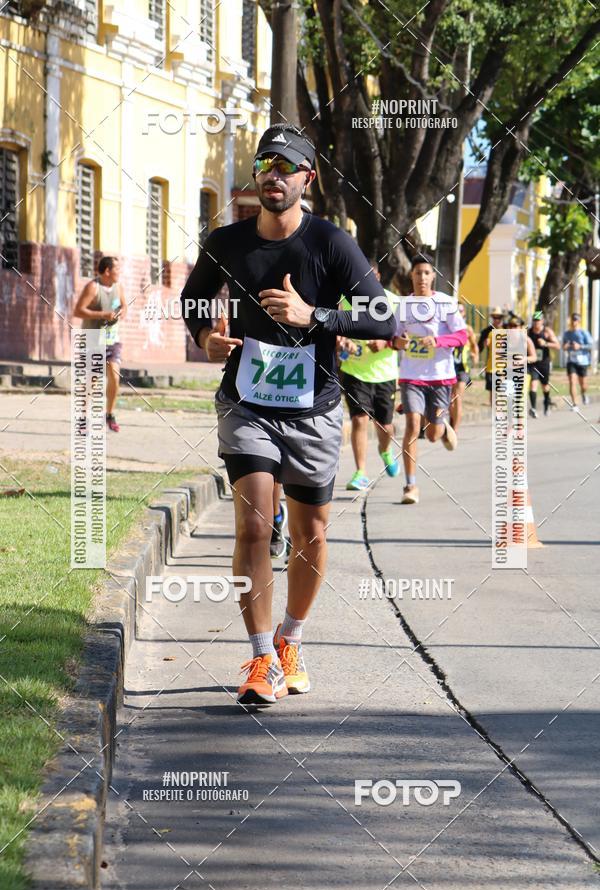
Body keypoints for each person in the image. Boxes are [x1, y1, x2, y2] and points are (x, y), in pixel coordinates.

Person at [181, 123, 394, 705]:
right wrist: (205, 336)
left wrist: (314, 316)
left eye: (285, 166)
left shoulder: (330, 242)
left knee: (310, 533)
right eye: (264, 165)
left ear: (308, 178)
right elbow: (193, 298)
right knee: (254, 525)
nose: (272, 175)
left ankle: (290, 639)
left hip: (313, 410)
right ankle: (259, 658)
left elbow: (383, 317)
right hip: (247, 403)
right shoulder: (226, 242)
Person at [391, 254, 468, 505]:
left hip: (440, 377)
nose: (422, 277)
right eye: (418, 273)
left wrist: (438, 341)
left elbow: (462, 336)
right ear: (411, 276)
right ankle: (410, 485)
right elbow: (393, 338)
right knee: (412, 425)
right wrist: (398, 342)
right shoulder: (403, 305)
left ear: (433, 276)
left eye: (426, 273)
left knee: (433, 435)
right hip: (411, 376)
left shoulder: (445, 303)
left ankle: (442, 426)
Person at [339, 259, 400, 489]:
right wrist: (343, 343)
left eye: (369, 277)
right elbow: (337, 332)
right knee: (359, 419)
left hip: (384, 373)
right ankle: (361, 472)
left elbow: (403, 338)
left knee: (385, 426)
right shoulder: (345, 301)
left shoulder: (393, 301)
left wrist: (385, 343)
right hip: (354, 371)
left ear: (378, 277)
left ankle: (385, 449)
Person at [73, 256, 127, 432]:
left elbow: (124, 306)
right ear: (107, 271)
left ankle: (109, 414)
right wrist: (103, 315)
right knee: (92, 380)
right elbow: (78, 311)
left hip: (112, 339)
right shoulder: (93, 287)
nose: (119, 272)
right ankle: (82, 418)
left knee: (115, 376)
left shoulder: (118, 287)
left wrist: (121, 312)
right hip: (93, 339)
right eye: (117, 269)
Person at [450, 302, 479, 430]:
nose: (458, 312)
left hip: (462, 368)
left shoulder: (468, 329)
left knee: (457, 398)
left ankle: (455, 430)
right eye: (456, 310)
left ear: (464, 313)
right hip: (448, 368)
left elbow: (474, 345)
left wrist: (475, 355)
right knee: (450, 400)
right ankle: (451, 423)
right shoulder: (447, 327)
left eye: (461, 310)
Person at [528, 311, 560, 417]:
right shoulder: (528, 332)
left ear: (542, 321)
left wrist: (546, 343)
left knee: (545, 385)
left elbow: (557, 346)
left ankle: (546, 404)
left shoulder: (547, 332)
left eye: (538, 320)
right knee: (533, 384)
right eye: (534, 320)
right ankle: (533, 408)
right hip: (533, 363)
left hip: (544, 363)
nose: (536, 323)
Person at [562, 312, 593, 412]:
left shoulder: (584, 333)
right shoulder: (567, 333)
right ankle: (575, 404)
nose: (574, 322)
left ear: (579, 321)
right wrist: (565, 347)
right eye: (573, 320)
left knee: (583, 384)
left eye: (576, 320)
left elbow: (591, 345)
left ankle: (583, 393)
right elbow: (563, 346)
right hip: (571, 361)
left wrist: (580, 346)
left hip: (583, 361)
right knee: (572, 381)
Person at [479, 307, 505, 405]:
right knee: (492, 391)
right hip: (491, 366)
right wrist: (484, 343)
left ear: (502, 318)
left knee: (501, 389)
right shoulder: (487, 332)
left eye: (499, 317)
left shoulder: (508, 329)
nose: (497, 320)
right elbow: (479, 347)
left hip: (504, 366)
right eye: (494, 317)